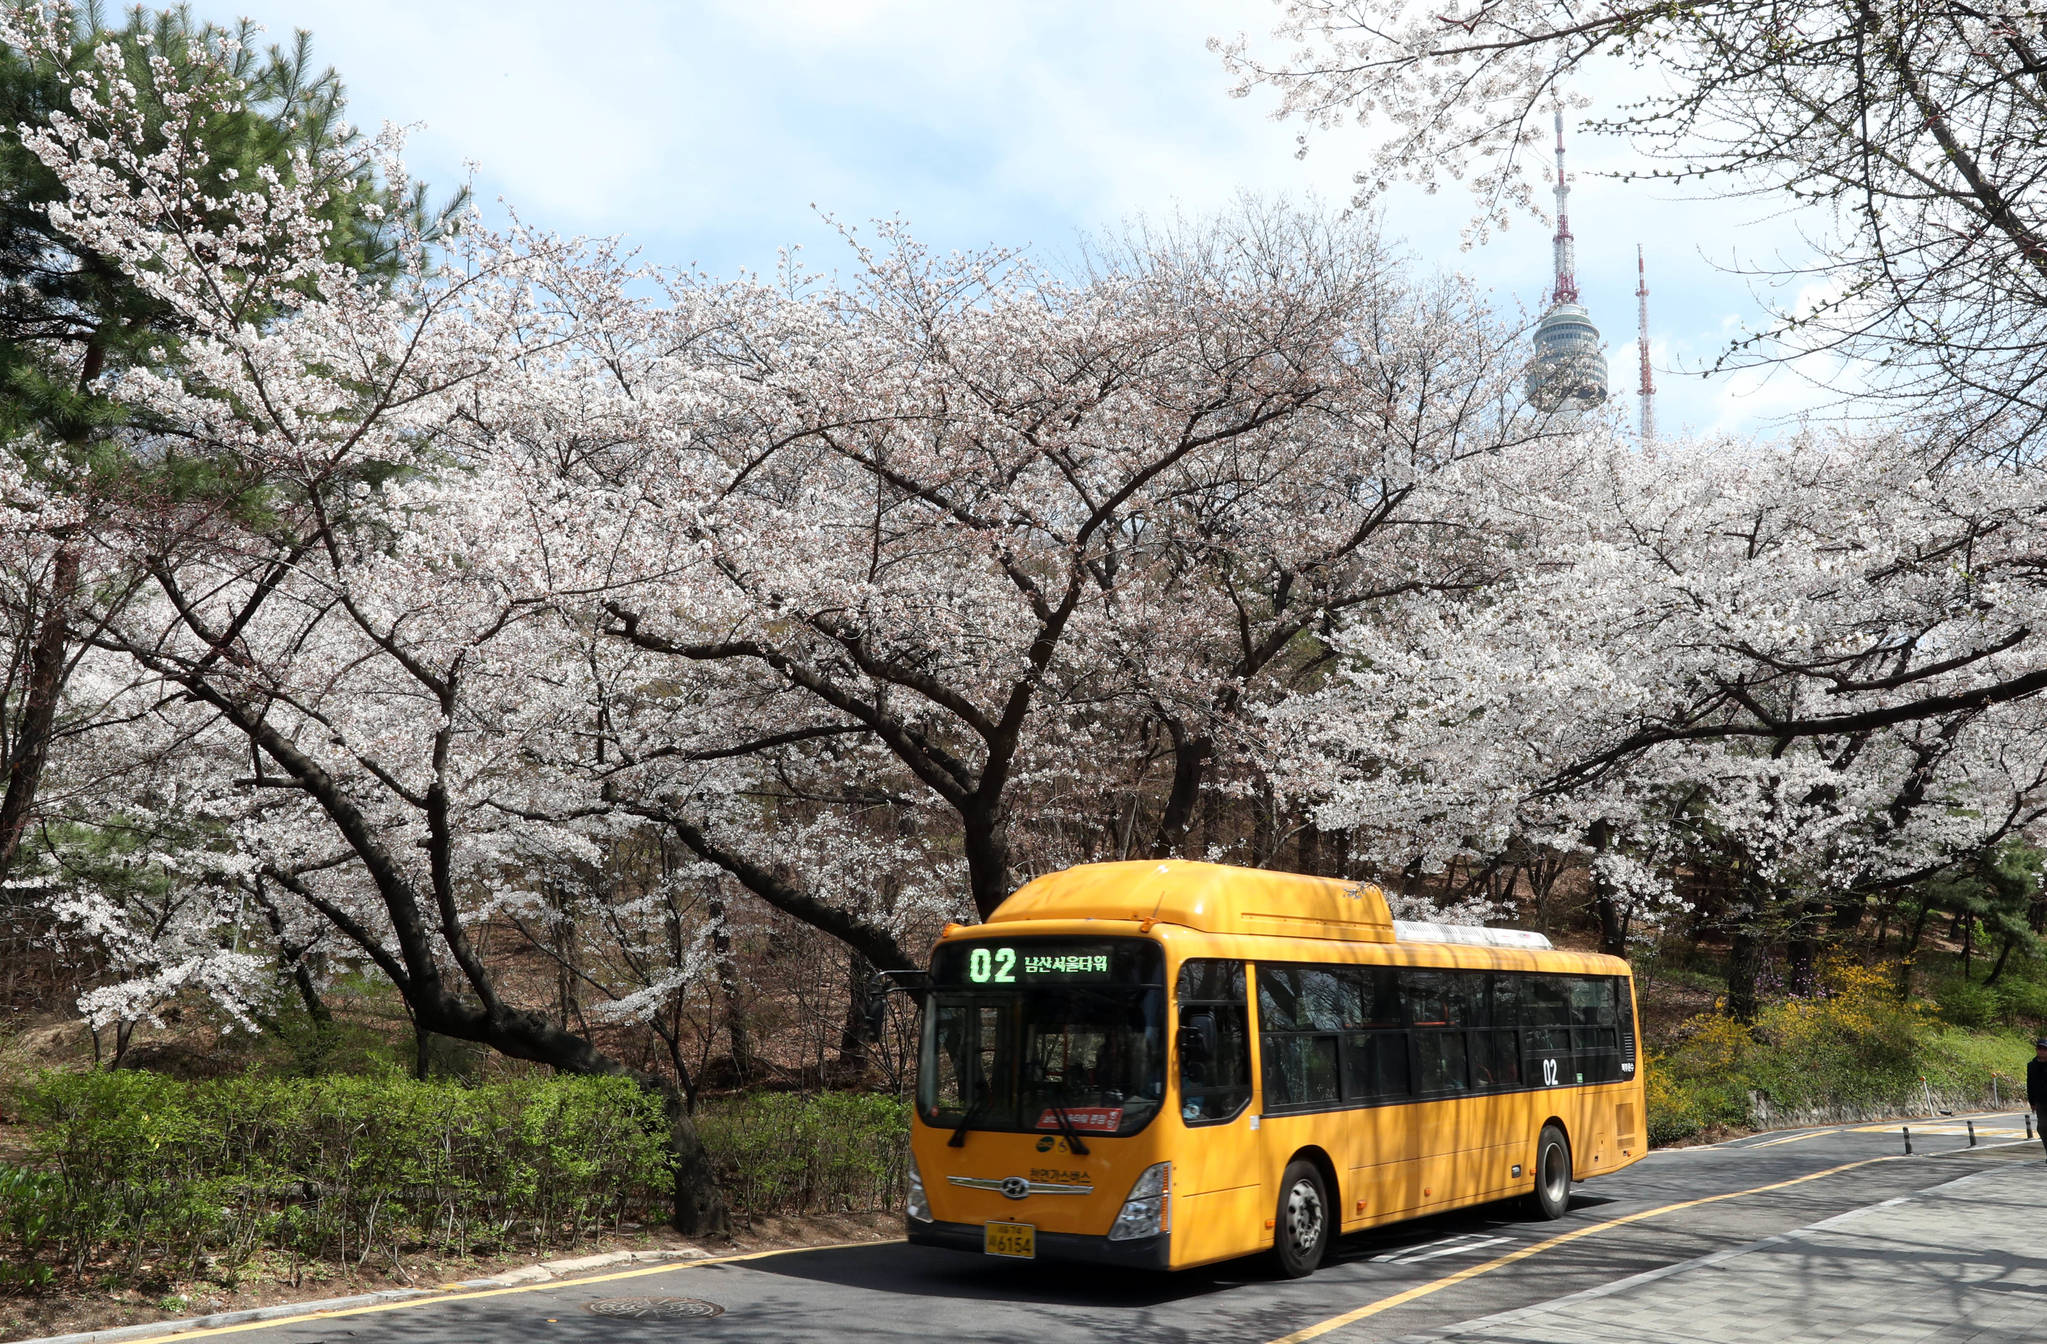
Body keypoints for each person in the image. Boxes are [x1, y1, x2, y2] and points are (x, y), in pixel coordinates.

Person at [2030, 1038, 2047, 1162]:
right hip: (2040, 1101)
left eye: (2044, 1049)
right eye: (2039, 1049)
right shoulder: (2032, 1065)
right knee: (2042, 1127)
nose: (2042, 1051)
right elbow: (2030, 1084)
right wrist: (2032, 1102)